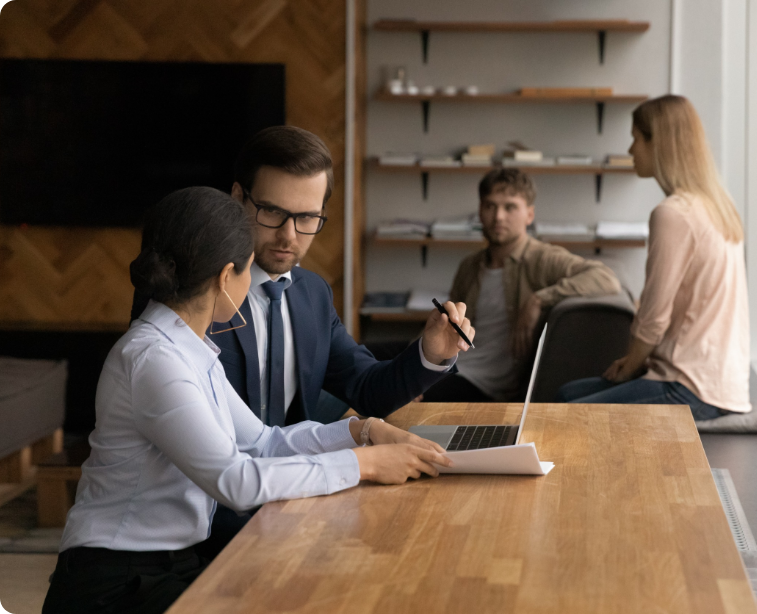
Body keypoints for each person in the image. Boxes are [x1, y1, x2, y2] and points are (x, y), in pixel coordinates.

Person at [43, 187, 453, 614]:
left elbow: (264, 442)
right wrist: (363, 464)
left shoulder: (188, 347)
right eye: (248, 270)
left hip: (167, 565)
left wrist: (360, 431)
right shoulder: (154, 359)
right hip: (113, 582)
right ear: (226, 277)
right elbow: (236, 482)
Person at [129, 126, 474, 558]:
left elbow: (365, 389)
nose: (290, 235)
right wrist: (361, 459)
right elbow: (227, 469)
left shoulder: (312, 293)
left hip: (297, 502)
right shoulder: (186, 296)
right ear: (237, 198)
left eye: (307, 217)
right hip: (204, 527)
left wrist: (431, 354)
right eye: (273, 212)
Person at [556, 95, 751, 419]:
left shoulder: (673, 214)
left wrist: (631, 365)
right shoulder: (717, 205)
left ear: (658, 143)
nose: (631, 150)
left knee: (568, 415)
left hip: (690, 385)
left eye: (636, 139)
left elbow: (654, 318)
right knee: (566, 394)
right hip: (720, 381)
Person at [421, 168, 621, 403]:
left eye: (510, 207)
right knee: (374, 362)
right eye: (490, 206)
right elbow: (444, 328)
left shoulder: (541, 258)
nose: (498, 217)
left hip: (485, 384)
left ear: (529, 214)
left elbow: (605, 277)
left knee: (404, 393)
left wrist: (538, 299)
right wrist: (415, 367)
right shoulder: (470, 265)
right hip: (450, 363)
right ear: (480, 211)